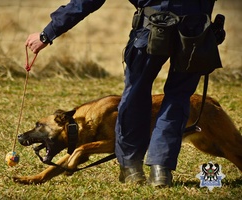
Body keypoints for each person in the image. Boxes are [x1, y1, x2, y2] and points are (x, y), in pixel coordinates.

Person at [25, 0, 217, 187]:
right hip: (196, 29)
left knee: (135, 96)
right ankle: (161, 170)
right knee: (178, 97)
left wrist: (47, 33)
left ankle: (131, 168)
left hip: (153, 25)